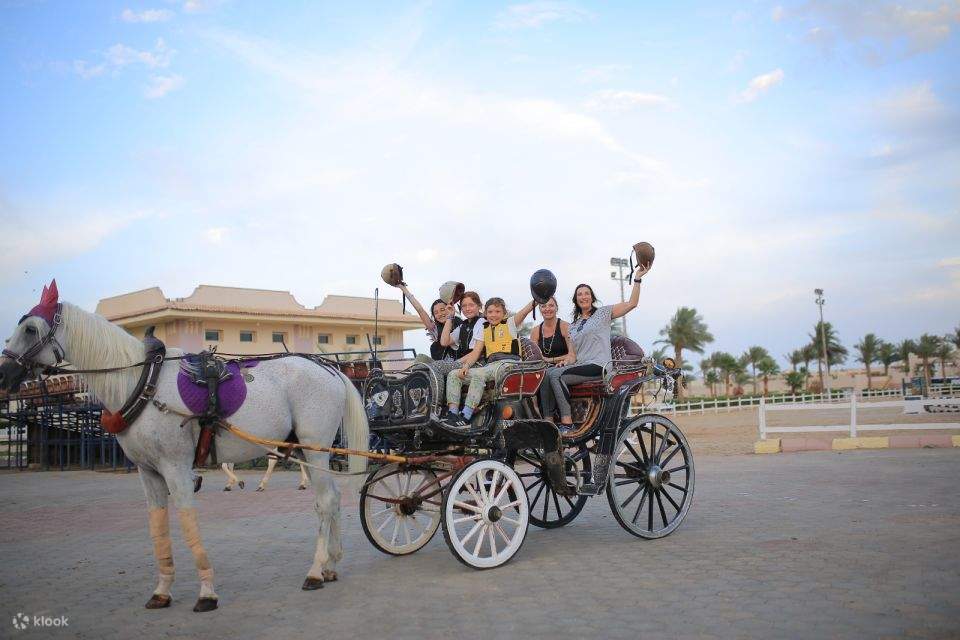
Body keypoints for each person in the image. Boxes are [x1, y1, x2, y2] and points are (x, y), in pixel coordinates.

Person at [541, 261, 652, 426]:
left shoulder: (603, 313)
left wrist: (637, 278)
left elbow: (631, 304)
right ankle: (548, 421)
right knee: (547, 373)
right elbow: (572, 355)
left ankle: (566, 421)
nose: (583, 296)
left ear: (591, 297)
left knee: (556, 375)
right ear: (576, 300)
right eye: (580, 294)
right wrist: (564, 362)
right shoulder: (573, 326)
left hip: (598, 365)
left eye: (587, 293)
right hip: (580, 365)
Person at [443, 297, 535, 428]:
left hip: (508, 365)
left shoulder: (510, 323)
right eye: (490, 312)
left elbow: (524, 311)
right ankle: (453, 414)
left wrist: (536, 300)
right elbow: (476, 352)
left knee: (479, 375)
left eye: (497, 311)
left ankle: (466, 416)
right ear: (485, 313)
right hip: (490, 366)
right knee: (454, 374)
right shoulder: (485, 329)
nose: (493, 315)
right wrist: (466, 365)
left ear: (504, 313)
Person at [530, 296, 575, 365]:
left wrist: (549, 360)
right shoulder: (535, 331)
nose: (547, 309)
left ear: (556, 308)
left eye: (551, 305)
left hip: (564, 367)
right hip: (542, 370)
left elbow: (573, 355)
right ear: (540, 309)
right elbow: (534, 358)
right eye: (543, 306)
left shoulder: (566, 327)